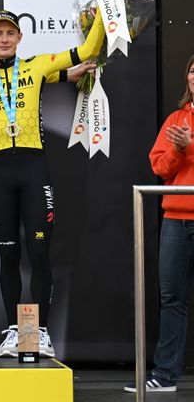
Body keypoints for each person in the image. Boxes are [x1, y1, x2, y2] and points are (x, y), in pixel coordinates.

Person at [0, 0, 105, 358]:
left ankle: (39, 331)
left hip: (33, 167)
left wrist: (105, 10)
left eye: (11, 33)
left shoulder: (38, 66)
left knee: (40, 251)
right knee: (8, 254)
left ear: (20, 36)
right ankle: (14, 330)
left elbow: (88, 50)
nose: (5, 39)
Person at [125, 54, 194, 393]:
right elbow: (160, 169)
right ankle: (165, 377)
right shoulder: (176, 119)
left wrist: (190, 148)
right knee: (172, 299)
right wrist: (180, 151)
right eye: (193, 71)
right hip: (176, 220)